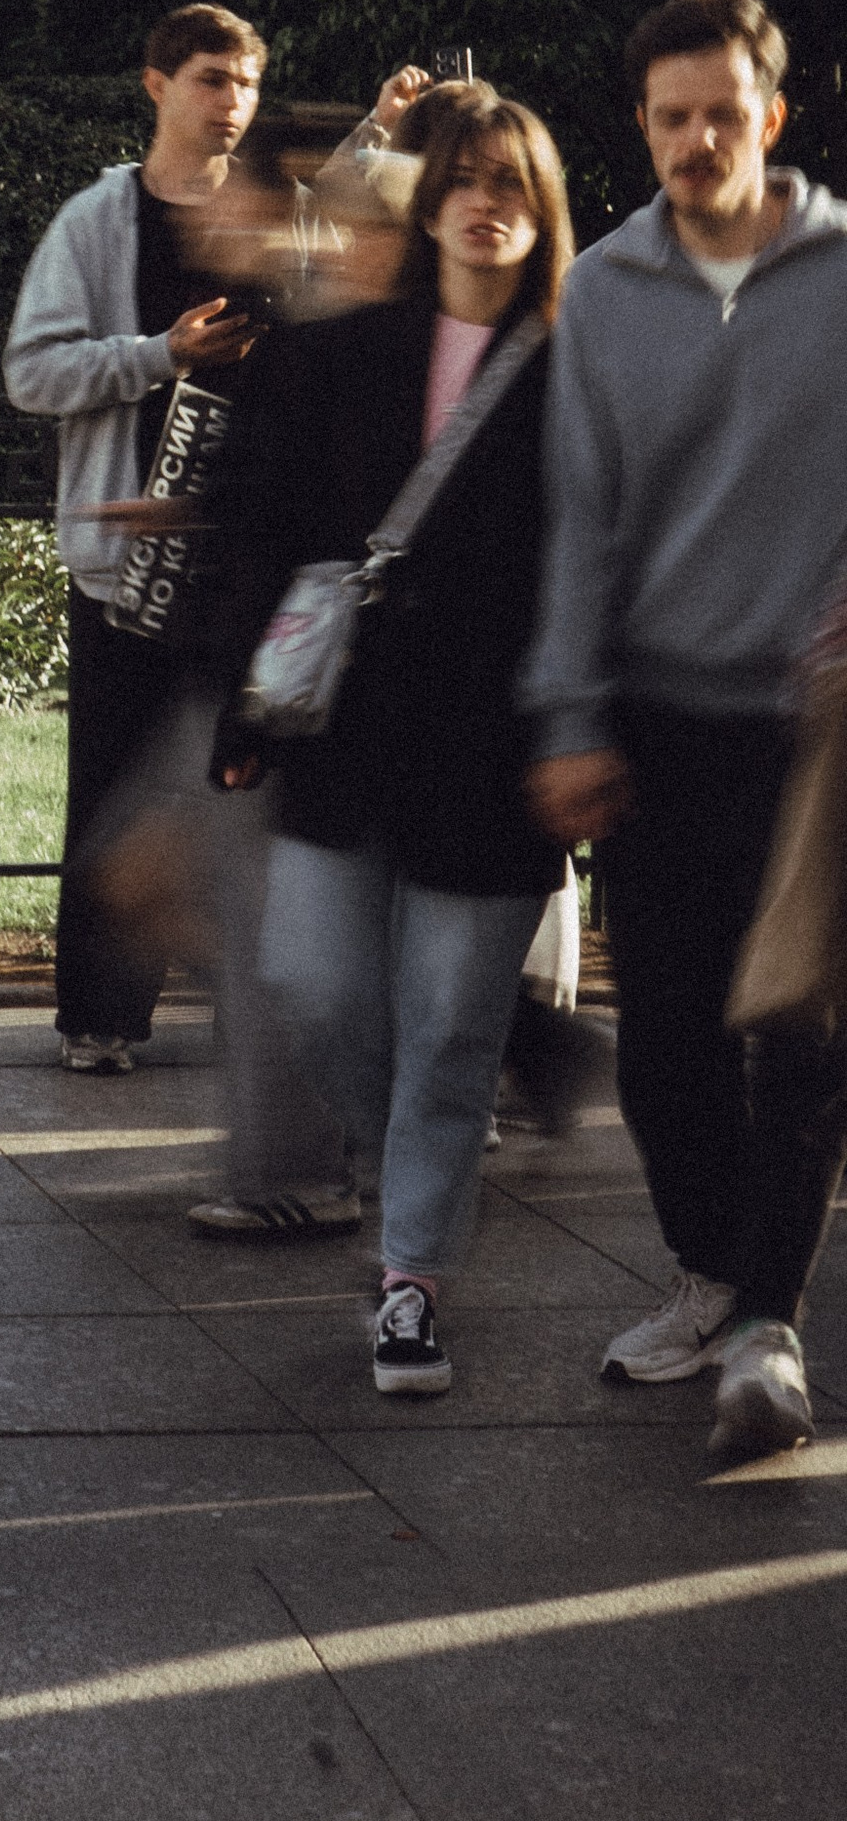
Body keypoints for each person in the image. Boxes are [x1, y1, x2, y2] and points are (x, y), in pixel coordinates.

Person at [523, 0, 847, 1474]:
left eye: (725, 111)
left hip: (813, 730)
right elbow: (578, 521)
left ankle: (769, 1324)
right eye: (670, 116)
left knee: (798, 1028)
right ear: (642, 125)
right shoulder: (603, 291)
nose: (698, 139)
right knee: (660, 1052)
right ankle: (717, 1276)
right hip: (656, 719)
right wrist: (574, 714)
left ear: (771, 115)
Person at [217, 87, 575, 1398]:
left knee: (449, 1032)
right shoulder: (341, 353)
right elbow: (263, 527)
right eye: (468, 181)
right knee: (320, 986)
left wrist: (581, 731)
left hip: (494, 760)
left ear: (543, 215)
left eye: (515, 185)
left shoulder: (574, 369)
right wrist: (248, 705)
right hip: (342, 744)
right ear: (434, 204)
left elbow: (596, 565)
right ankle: (402, 1172)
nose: (489, 204)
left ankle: (408, 1276)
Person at [3, 3, 266, 1071]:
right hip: (125, 557)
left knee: (243, 787)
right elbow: (32, 372)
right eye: (212, 79)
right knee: (112, 782)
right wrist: (158, 354)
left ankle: (259, 1007)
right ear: (155, 84)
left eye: (246, 83)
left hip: (245, 556)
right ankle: (101, 1017)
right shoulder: (95, 222)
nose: (232, 103)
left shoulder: (267, 215)